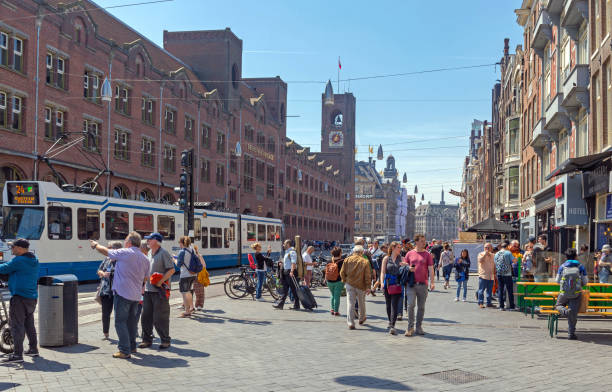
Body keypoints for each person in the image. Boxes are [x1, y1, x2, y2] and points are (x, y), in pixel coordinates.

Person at [90, 232, 150, 359]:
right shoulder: (145, 258)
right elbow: (146, 278)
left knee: (120, 322)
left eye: (125, 240)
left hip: (123, 293)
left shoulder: (125, 252)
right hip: (136, 295)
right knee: (131, 323)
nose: (124, 242)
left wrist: (96, 245)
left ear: (129, 242)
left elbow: (106, 252)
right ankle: (132, 347)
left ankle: (124, 350)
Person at [0, 239, 39, 363]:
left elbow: (4, 268)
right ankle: (33, 349)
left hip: (19, 298)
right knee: (29, 324)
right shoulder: (34, 259)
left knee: (17, 326)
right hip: (31, 297)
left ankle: (17, 355)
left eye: (13, 247)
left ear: (21, 248)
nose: (12, 250)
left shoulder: (19, 260)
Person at [139, 232, 175, 350]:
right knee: (146, 317)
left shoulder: (164, 253)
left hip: (159, 291)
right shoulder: (149, 253)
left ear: (157, 241)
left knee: (160, 317)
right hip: (149, 291)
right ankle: (146, 339)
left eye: (150, 239)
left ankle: (165, 340)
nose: (147, 241)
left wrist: (161, 281)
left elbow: (171, 270)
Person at [403, 234, 434, 336]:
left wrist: (432, 282)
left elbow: (431, 269)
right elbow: (404, 266)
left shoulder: (427, 254)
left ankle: (419, 327)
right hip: (411, 284)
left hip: (423, 284)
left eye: (424, 241)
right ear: (416, 242)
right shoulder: (409, 254)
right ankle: (410, 327)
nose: (424, 242)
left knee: (421, 307)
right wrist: (408, 268)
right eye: (421, 241)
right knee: (411, 305)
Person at [555, 248, 588, 340]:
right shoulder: (581, 266)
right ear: (576, 256)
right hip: (576, 294)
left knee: (558, 305)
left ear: (566, 257)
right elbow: (585, 282)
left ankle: (565, 311)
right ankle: (571, 334)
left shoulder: (562, 266)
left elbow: (557, 281)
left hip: (564, 293)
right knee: (573, 314)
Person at [340, 245, 371, 330]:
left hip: (349, 284)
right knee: (361, 302)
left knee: (350, 303)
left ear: (354, 251)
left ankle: (351, 323)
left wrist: (344, 280)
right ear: (361, 252)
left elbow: (342, 272)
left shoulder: (347, 260)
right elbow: (367, 276)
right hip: (361, 285)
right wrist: (368, 286)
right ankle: (362, 318)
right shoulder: (365, 261)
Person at [97, 241, 123, 340]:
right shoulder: (107, 259)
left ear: (116, 250)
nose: (107, 249)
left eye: (109, 248)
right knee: (105, 313)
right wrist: (102, 274)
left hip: (118, 291)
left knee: (119, 314)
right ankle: (106, 333)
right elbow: (99, 270)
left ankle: (122, 335)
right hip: (106, 290)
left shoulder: (121, 261)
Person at [380, 241, 403, 335]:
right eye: (398, 247)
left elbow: (405, 268)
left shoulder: (401, 258)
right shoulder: (386, 258)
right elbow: (382, 272)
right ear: (393, 248)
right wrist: (381, 282)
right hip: (388, 284)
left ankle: (393, 325)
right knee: (388, 304)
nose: (400, 249)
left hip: (397, 283)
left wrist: (406, 267)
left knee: (394, 304)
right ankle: (390, 321)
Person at [273, 240, 300, 310]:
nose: (283, 245)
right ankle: (280, 305)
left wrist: (292, 271)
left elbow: (293, 263)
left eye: (284, 244)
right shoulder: (287, 252)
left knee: (294, 289)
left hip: (290, 272)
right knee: (285, 290)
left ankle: (297, 305)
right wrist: (281, 264)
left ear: (288, 244)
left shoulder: (292, 252)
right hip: (285, 272)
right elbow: (287, 263)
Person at [175, 236, 196, 318]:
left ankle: (187, 311)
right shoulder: (192, 249)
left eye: (179, 243)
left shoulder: (182, 252)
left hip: (185, 275)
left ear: (182, 243)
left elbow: (178, 264)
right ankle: (192, 307)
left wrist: (174, 259)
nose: (179, 245)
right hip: (193, 274)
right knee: (188, 291)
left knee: (184, 293)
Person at [494, 241, 515, 311]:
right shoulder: (508, 253)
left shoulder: (496, 253)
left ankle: (501, 306)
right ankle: (511, 306)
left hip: (499, 273)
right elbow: (514, 261)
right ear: (507, 246)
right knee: (509, 290)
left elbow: (495, 263)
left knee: (500, 289)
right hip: (507, 274)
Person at [325, 246, 344, 316]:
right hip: (338, 281)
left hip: (329, 281)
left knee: (333, 295)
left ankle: (332, 309)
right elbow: (344, 272)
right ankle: (336, 311)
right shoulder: (342, 261)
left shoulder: (329, 261)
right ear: (340, 253)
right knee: (337, 296)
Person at [477, 243, 496, 309]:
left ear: (491, 248)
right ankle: (481, 303)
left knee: (489, 291)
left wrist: (495, 273)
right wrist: (485, 254)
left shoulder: (493, 255)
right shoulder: (481, 254)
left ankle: (489, 303)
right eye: (486, 247)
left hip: (491, 275)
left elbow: (494, 265)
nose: (487, 249)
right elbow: (480, 260)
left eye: (488, 247)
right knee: (481, 290)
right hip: (483, 275)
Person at [192, 245, 206, 310]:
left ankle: (199, 305)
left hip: (198, 275)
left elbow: (204, 265)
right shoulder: (189, 256)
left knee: (199, 291)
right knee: (189, 291)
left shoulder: (199, 256)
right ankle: (187, 305)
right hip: (190, 275)